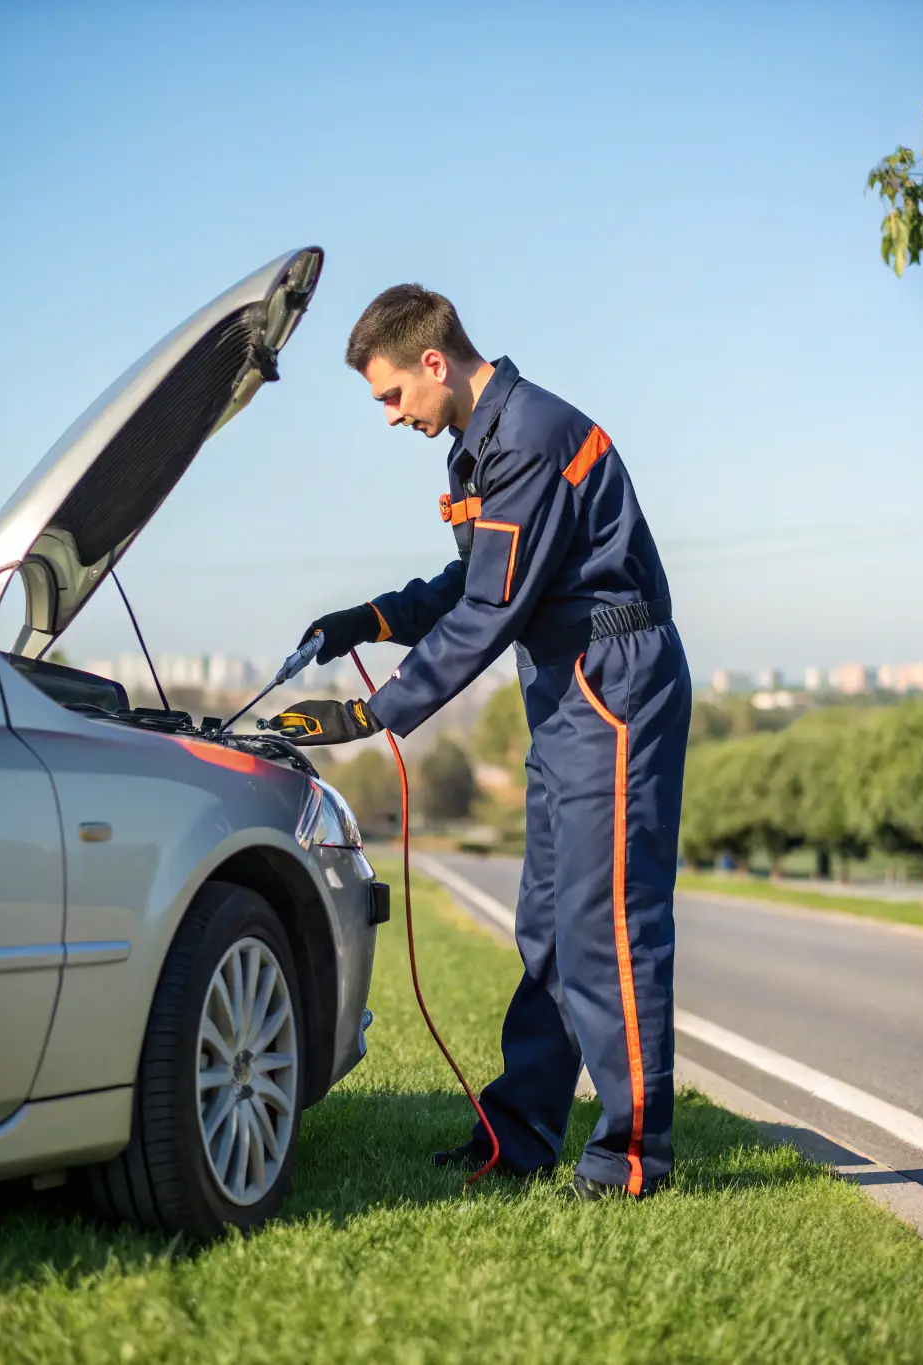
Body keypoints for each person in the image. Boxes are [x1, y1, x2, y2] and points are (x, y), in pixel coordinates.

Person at [275, 284, 692, 1200]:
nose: (391, 418)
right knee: (547, 923)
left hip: (612, 680)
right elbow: (475, 582)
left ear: (435, 362)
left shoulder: (531, 439)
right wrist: (371, 617)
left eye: (391, 396)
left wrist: (371, 715)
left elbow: (491, 612)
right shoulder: (485, 446)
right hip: (565, 680)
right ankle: (520, 1138)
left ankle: (631, 1159)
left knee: (607, 924)